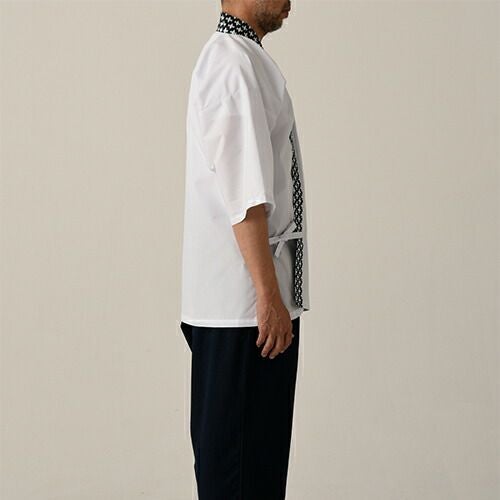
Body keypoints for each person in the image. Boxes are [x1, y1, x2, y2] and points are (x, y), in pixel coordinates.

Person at [179, 1, 310, 498]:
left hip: (251, 312)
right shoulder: (230, 64)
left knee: (256, 472)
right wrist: (267, 296)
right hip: (245, 315)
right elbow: (245, 195)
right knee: (237, 478)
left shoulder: (243, 58)